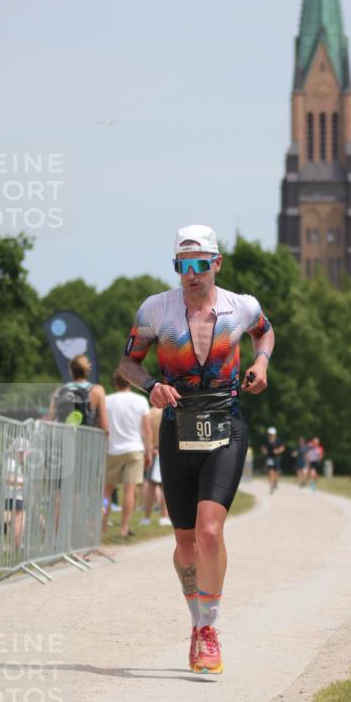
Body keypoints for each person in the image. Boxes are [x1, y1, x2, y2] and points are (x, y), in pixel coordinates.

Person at [119, 224, 274, 674]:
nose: (192, 274)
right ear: (177, 268)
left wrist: (262, 362)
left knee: (210, 532)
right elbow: (128, 361)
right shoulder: (156, 310)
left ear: (216, 264)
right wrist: (150, 386)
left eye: (200, 265)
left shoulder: (240, 307)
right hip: (176, 428)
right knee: (185, 544)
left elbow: (264, 333)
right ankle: (196, 622)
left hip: (226, 423)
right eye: (184, 266)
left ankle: (210, 629)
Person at [103, 372, 152, 538]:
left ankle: (102, 525)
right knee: (129, 490)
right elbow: (146, 430)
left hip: (113, 449)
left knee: (107, 492)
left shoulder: (107, 400)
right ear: (130, 382)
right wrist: (149, 451)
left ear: (115, 383)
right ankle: (124, 528)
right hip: (134, 449)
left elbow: (103, 426)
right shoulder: (141, 401)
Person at [47, 354, 109, 432]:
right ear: (88, 369)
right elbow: (104, 425)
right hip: (87, 440)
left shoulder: (59, 391)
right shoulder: (97, 390)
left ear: (71, 370)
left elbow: (49, 421)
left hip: (64, 440)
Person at [141, 405, 171, 527]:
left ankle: (147, 517)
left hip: (153, 450)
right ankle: (163, 516)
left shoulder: (150, 412)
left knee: (151, 486)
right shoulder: (167, 411)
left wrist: (148, 449)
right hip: (166, 449)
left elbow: (144, 433)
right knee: (166, 486)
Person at [261, 426, 285, 494]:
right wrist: (264, 451)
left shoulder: (278, 440)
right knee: (270, 471)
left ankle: (275, 482)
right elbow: (263, 447)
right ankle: (271, 485)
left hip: (276, 457)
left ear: (274, 434)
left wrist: (278, 451)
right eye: (270, 434)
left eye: (272, 434)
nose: (271, 435)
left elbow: (282, 447)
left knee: (277, 472)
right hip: (269, 458)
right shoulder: (266, 440)